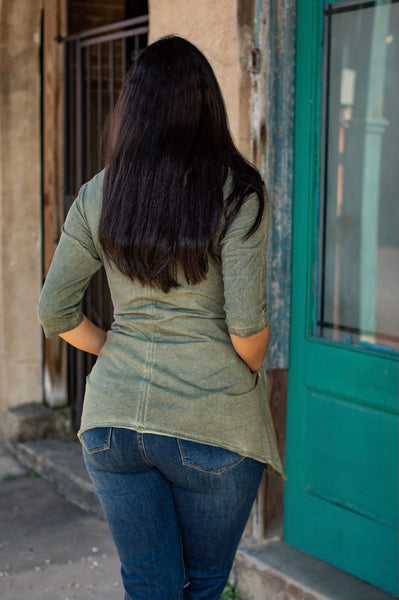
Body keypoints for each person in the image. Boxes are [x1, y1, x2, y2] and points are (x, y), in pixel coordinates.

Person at [37, 35, 285, 600]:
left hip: (112, 426)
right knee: (202, 586)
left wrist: (114, 349)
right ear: (208, 106)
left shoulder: (99, 194)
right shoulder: (239, 193)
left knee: (148, 587)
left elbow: (54, 311)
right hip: (212, 428)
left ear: (134, 108)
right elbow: (248, 336)